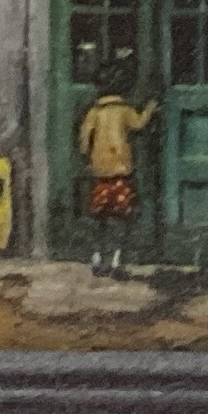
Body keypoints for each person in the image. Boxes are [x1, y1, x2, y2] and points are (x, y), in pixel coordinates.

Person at [75, 86, 155, 275]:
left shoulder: (94, 112)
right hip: (120, 171)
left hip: (101, 173)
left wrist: (87, 157)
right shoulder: (124, 110)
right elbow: (139, 123)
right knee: (122, 217)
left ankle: (97, 257)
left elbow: (84, 139)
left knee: (99, 217)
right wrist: (151, 107)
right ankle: (116, 260)